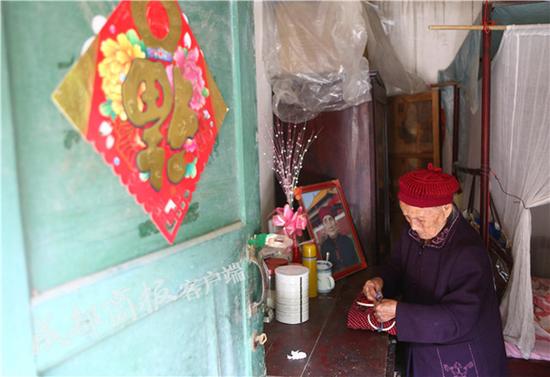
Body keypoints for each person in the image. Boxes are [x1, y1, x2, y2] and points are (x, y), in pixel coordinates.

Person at [363, 164, 507, 377]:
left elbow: (457, 318)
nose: (412, 226)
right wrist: (380, 280)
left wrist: (399, 311)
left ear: (446, 209)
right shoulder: (414, 232)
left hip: (461, 355)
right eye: (407, 216)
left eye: (419, 219)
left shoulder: (468, 253)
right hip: (423, 345)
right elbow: (398, 267)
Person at [318, 205, 359, 273]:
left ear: (335, 221)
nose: (329, 224)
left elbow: (356, 264)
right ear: (324, 227)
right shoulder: (324, 247)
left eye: (330, 219)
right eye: (325, 221)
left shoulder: (347, 240)